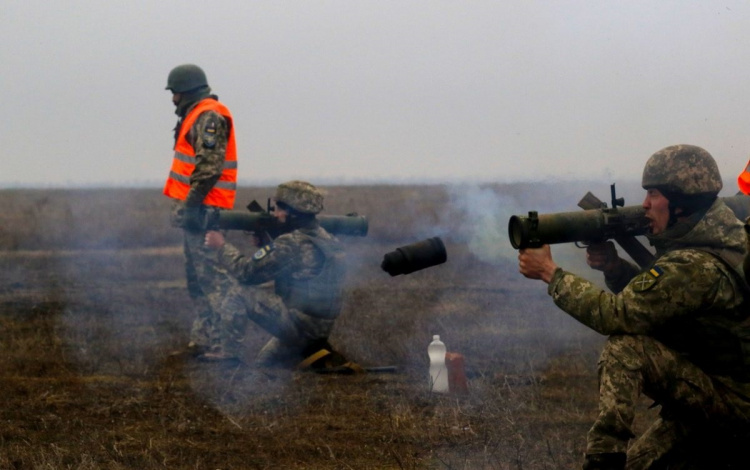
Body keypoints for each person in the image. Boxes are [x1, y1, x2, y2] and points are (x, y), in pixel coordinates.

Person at [518, 145, 750, 470]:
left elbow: (619, 314)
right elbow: (666, 301)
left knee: (625, 348)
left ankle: (603, 459)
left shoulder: (693, 263)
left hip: (730, 406)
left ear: (680, 202)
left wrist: (550, 273)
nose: (644, 205)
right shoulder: (724, 238)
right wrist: (615, 268)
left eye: (653, 194)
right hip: (716, 391)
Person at [203, 181, 356, 370]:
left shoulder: (290, 243)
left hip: (299, 327)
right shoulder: (327, 237)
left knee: (238, 291)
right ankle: (315, 356)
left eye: (277, 209)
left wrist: (221, 247)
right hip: (319, 329)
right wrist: (266, 245)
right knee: (264, 368)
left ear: (291, 211)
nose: (274, 214)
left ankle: (227, 357)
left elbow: (246, 273)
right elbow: (296, 269)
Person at [163, 63, 244, 360]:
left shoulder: (208, 116)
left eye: (176, 93)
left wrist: (191, 206)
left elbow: (209, 169)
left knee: (216, 281)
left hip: (204, 211)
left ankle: (226, 347)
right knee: (198, 282)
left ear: (189, 91)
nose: (173, 99)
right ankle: (203, 341)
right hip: (196, 212)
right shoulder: (195, 116)